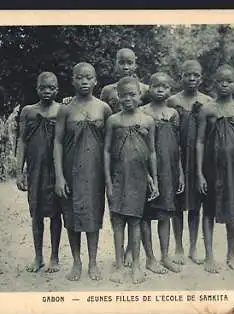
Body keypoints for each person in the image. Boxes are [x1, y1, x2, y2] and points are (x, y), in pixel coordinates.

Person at [54, 62, 112, 282]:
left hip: (95, 171)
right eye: (79, 77)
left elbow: (109, 144)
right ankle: (77, 261)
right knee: (71, 216)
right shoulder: (65, 109)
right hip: (71, 171)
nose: (84, 81)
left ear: (96, 80)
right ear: (73, 80)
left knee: (93, 216)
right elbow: (58, 143)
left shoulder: (104, 108)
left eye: (89, 77)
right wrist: (59, 177)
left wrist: (108, 176)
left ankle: (93, 262)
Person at [104, 76, 159, 284]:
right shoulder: (113, 121)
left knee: (136, 222)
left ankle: (136, 265)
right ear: (118, 96)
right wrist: (108, 181)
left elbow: (152, 152)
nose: (128, 99)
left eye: (132, 94)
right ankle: (118, 265)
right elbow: (107, 152)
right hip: (118, 178)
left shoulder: (147, 121)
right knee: (117, 222)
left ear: (140, 96)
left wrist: (154, 178)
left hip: (138, 178)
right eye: (124, 95)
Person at [196, 64, 234, 273]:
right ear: (214, 83)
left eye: (229, 81)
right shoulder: (207, 109)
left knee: (232, 211)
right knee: (208, 211)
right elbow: (200, 142)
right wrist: (199, 173)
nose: (224, 84)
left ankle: (231, 254)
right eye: (220, 81)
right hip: (211, 168)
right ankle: (209, 256)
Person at [166, 60, 213, 265]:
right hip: (176, 156)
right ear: (181, 77)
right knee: (177, 202)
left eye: (196, 75)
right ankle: (178, 246)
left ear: (201, 78)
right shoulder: (171, 101)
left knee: (195, 204)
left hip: (199, 159)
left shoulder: (208, 101)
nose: (192, 79)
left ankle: (193, 247)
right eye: (188, 75)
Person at [15, 71, 63, 273]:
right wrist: (19, 170)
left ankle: (54, 257)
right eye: (43, 87)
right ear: (37, 89)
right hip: (35, 170)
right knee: (36, 214)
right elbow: (22, 140)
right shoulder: (28, 111)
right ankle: (38, 257)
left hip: (55, 169)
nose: (47, 91)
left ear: (57, 89)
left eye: (51, 87)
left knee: (55, 214)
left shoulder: (62, 110)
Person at [140, 72, 184, 274]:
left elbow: (178, 147)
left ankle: (165, 256)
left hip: (169, 170)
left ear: (170, 90)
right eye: (156, 85)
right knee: (145, 215)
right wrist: (147, 173)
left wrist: (181, 173)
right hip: (146, 170)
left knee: (166, 214)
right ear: (148, 88)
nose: (160, 89)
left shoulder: (174, 114)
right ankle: (150, 258)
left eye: (165, 86)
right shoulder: (142, 112)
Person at [100, 48, 150, 113]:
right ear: (116, 65)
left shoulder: (145, 89)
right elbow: (102, 114)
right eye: (121, 63)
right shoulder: (108, 90)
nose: (125, 67)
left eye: (130, 63)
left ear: (135, 66)